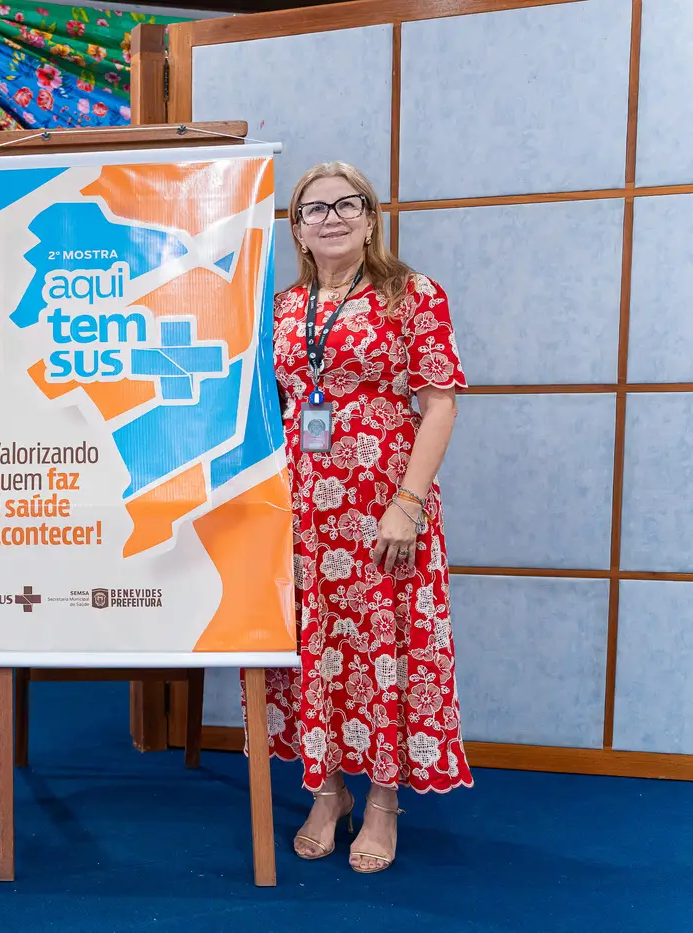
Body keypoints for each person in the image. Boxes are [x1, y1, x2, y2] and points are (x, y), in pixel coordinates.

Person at [250, 161, 471, 873]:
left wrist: (408, 504)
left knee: (384, 652)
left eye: (349, 204)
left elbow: (440, 403)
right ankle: (327, 791)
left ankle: (381, 802)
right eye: (315, 209)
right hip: (302, 515)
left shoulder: (412, 293)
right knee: (315, 652)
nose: (333, 218)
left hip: (383, 509)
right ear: (298, 231)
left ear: (372, 220)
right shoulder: (283, 308)